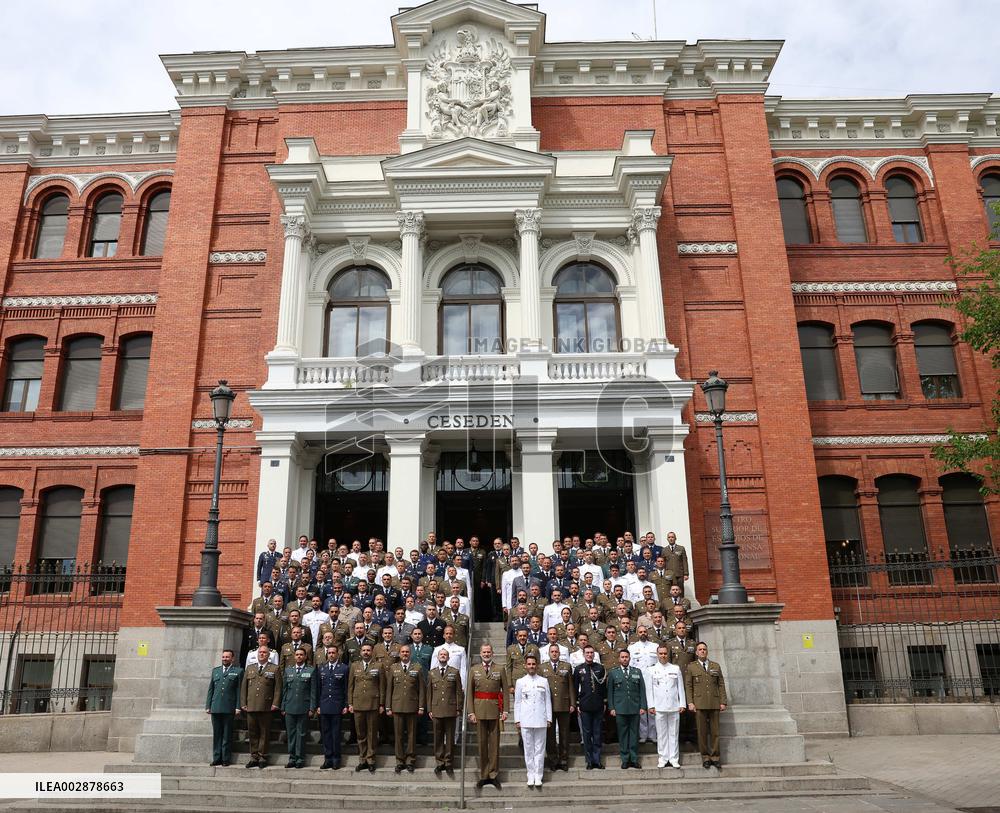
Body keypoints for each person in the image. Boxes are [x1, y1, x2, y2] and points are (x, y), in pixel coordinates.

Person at [685, 642, 728, 769]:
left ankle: (715, 756)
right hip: (699, 704)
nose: (702, 651)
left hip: (714, 702)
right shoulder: (692, 667)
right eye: (700, 649)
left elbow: (721, 684)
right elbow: (689, 686)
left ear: (707, 651)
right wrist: (690, 702)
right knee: (702, 732)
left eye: (704, 649)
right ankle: (705, 757)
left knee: (715, 732)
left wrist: (723, 701)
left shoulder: (715, 666)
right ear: (696, 652)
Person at [468, 644, 505, 790]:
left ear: (493, 653)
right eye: (484, 652)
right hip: (479, 711)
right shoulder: (474, 669)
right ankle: (484, 775)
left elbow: (505, 692)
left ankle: (494, 774)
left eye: (489, 651)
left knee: (494, 745)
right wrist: (471, 712)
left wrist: (506, 710)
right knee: (482, 744)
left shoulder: (500, 669)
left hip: (495, 710)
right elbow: (470, 693)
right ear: (480, 653)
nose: (486, 654)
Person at [240, 645, 282, 769]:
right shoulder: (250, 668)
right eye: (260, 652)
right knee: (252, 732)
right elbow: (244, 688)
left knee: (264, 732)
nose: (262, 654)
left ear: (268, 655)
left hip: (266, 706)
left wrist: (275, 703)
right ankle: (254, 756)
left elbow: (278, 688)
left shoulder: (274, 669)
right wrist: (243, 703)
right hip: (251, 705)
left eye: (264, 652)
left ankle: (263, 756)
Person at [385, 643, 426, 773]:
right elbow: (389, 689)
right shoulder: (393, 668)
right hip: (396, 706)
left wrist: (421, 706)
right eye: (402, 652)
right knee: (398, 736)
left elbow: (421, 689)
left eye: (407, 652)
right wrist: (388, 707)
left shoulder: (417, 668)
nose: (405, 654)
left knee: (411, 735)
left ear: (410, 654)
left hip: (412, 706)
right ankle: (399, 760)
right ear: (399, 654)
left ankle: (410, 760)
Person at [513, 654, 552, 789]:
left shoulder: (543, 681)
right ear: (525, 665)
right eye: (529, 664)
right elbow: (517, 702)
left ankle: (538, 775)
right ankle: (530, 774)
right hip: (526, 719)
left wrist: (549, 718)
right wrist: (517, 719)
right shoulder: (520, 682)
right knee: (528, 749)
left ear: (537, 665)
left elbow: (547, 700)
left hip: (540, 719)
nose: (531, 666)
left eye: (533, 664)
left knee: (540, 749)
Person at [347, 641, 386, 773]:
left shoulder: (379, 666)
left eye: (368, 650)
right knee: (361, 734)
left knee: (372, 733)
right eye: (364, 650)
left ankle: (371, 759)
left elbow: (382, 686)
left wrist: (381, 704)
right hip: (358, 704)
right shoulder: (354, 666)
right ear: (360, 652)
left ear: (372, 652)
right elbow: (350, 686)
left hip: (373, 704)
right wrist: (350, 703)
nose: (366, 652)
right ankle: (362, 759)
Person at [607, 649, 648, 770]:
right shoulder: (613, 673)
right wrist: (612, 707)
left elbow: (642, 690)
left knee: (634, 734)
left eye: (626, 657)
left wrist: (642, 706)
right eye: (622, 657)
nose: (624, 659)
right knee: (623, 734)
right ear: (619, 659)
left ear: (629, 658)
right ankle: (625, 759)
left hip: (635, 708)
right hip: (620, 709)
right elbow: (610, 692)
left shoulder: (637, 672)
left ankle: (634, 759)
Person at [647, 644, 686, 769]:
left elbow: (680, 687)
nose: (663, 656)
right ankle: (663, 758)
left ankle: (674, 758)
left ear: (668, 654)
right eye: (661, 653)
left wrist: (682, 704)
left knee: (674, 733)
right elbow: (650, 689)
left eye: (665, 653)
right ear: (657, 654)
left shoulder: (675, 668)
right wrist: (651, 705)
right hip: (659, 706)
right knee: (662, 734)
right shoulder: (651, 670)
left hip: (674, 705)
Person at [539, 643, 575, 772]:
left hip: (564, 704)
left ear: (559, 653)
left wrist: (572, 703)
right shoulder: (542, 667)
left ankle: (564, 759)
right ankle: (553, 760)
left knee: (564, 734)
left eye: (556, 651)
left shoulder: (566, 666)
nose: (554, 653)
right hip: (548, 705)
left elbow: (571, 686)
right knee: (550, 735)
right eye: (552, 651)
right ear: (548, 653)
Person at [427, 647, 464, 776]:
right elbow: (429, 693)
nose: (443, 656)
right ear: (438, 657)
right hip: (436, 709)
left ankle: (448, 762)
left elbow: (459, 691)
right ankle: (439, 762)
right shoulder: (432, 673)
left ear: (448, 658)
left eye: (445, 655)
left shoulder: (454, 672)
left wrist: (459, 707)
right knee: (437, 737)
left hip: (450, 709)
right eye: (441, 654)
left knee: (449, 737)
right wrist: (429, 709)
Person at [281, 647, 318, 769]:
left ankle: (300, 758)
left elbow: (313, 691)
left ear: (305, 657)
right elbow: (284, 691)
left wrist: (312, 708)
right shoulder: (288, 671)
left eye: (301, 654)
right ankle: (292, 758)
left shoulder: (311, 670)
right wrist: (283, 706)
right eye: (297, 654)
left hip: (304, 707)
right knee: (291, 734)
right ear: (294, 656)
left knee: (301, 734)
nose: (299, 656)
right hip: (290, 706)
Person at [205, 649, 242, 767]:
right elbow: (211, 689)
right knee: (217, 734)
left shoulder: (238, 671)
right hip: (215, 707)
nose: (225, 659)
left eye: (227, 657)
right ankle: (217, 758)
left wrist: (238, 707)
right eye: (223, 657)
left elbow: (239, 691)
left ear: (232, 659)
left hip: (229, 707)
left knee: (227, 735)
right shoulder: (215, 671)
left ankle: (226, 758)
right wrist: (208, 705)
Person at [316, 645, 350, 769]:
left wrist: (346, 704)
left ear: (337, 654)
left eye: (333, 652)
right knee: (326, 734)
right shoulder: (321, 668)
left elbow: (346, 688)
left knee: (336, 734)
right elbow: (318, 688)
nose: (331, 655)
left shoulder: (344, 668)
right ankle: (328, 758)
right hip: (324, 705)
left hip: (337, 705)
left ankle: (336, 759)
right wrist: (318, 705)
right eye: (329, 653)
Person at [573, 645, 607, 770]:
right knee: (587, 735)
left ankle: (597, 760)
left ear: (594, 654)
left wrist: (604, 702)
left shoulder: (600, 668)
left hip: (597, 705)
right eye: (587, 652)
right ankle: (589, 760)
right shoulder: (578, 669)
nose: (589, 655)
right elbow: (575, 688)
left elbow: (603, 687)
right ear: (583, 654)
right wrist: (576, 704)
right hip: (584, 706)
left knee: (597, 734)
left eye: (591, 653)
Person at [628, 625, 659, 744]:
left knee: (652, 708)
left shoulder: (654, 646)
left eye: (644, 631)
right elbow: (630, 665)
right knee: (641, 709)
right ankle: (643, 734)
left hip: (653, 681)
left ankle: (653, 734)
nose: (643, 633)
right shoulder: (632, 647)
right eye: (640, 632)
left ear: (648, 633)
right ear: (637, 633)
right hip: (638, 681)